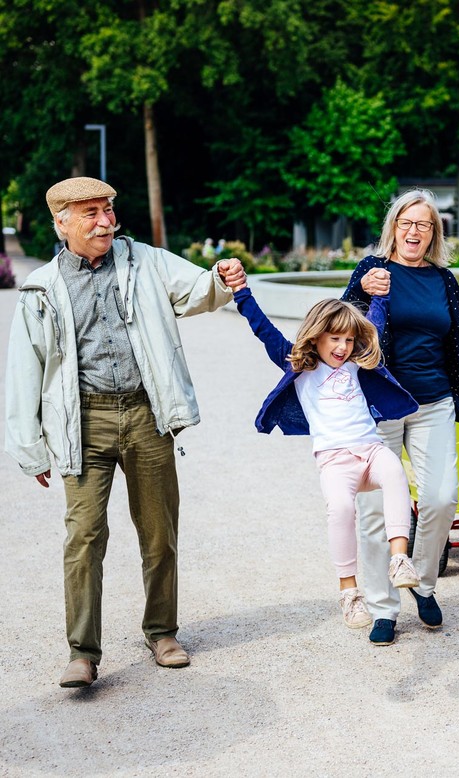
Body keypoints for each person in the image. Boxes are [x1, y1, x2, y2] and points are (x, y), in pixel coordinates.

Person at [4, 176, 247, 687]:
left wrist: (222, 278)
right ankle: (83, 652)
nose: (105, 220)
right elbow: (24, 370)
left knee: (159, 531)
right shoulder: (40, 287)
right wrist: (30, 448)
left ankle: (161, 631)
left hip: (145, 415)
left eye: (109, 209)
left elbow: (198, 289)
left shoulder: (146, 261)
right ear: (62, 223)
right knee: (84, 537)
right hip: (82, 422)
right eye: (90, 212)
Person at [342, 189, 459, 646]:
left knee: (441, 497)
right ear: (394, 226)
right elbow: (343, 328)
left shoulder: (443, 281)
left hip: (434, 402)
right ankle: (382, 606)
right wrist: (359, 291)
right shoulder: (371, 272)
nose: (415, 231)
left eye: (424, 225)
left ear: (434, 233)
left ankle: (424, 584)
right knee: (375, 510)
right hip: (380, 404)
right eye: (407, 222)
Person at [224, 276, 422, 629]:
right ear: (316, 336)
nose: (343, 347)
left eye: (348, 340)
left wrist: (381, 296)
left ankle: (399, 559)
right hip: (335, 460)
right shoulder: (298, 366)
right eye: (335, 339)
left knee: (394, 473)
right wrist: (241, 293)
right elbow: (262, 328)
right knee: (341, 509)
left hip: (370, 449)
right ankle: (350, 593)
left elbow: (374, 324)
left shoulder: (358, 364)